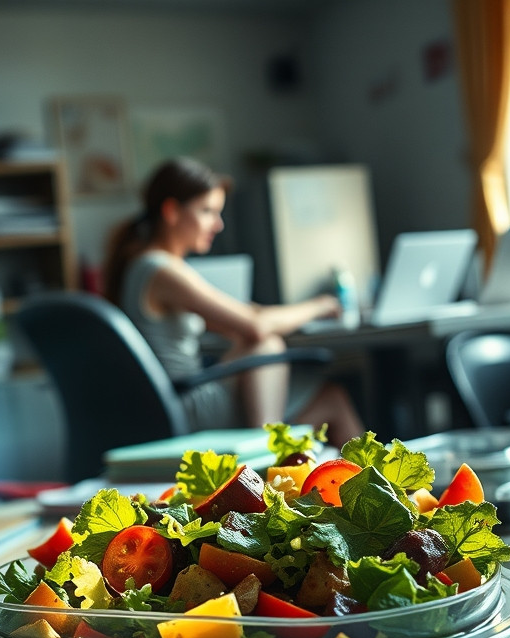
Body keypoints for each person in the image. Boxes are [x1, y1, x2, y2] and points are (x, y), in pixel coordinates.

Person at [103, 157, 365, 443]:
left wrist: (261, 317)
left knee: (326, 393)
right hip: (186, 406)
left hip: (173, 401)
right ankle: (264, 450)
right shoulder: (161, 269)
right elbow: (256, 326)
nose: (218, 225)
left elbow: (243, 319)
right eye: (207, 211)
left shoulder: (147, 265)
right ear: (172, 211)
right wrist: (319, 306)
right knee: (269, 346)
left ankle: (267, 448)